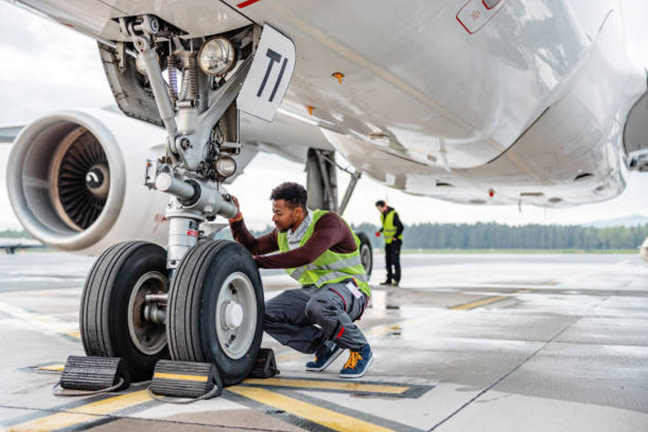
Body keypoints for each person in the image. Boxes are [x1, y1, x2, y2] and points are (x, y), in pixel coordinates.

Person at [229, 182, 373, 378]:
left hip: (352, 290)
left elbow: (307, 255)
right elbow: (252, 246)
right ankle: (324, 346)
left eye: (279, 213)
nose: (274, 218)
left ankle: (360, 348)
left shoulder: (328, 223)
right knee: (263, 313)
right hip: (318, 291)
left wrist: (258, 262)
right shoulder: (283, 235)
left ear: (297, 212)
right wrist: (235, 218)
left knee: (320, 305)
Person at [375, 200, 404, 287]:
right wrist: (380, 231)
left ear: (384, 206)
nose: (379, 210)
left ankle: (396, 280)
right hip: (388, 241)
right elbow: (386, 226)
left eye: (379, 208)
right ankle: (389, 280)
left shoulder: (393, 214)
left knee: (395, 261)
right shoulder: (383, 215)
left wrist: (395, 236)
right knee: (388, 261)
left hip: (395, 241)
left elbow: (401, 227)